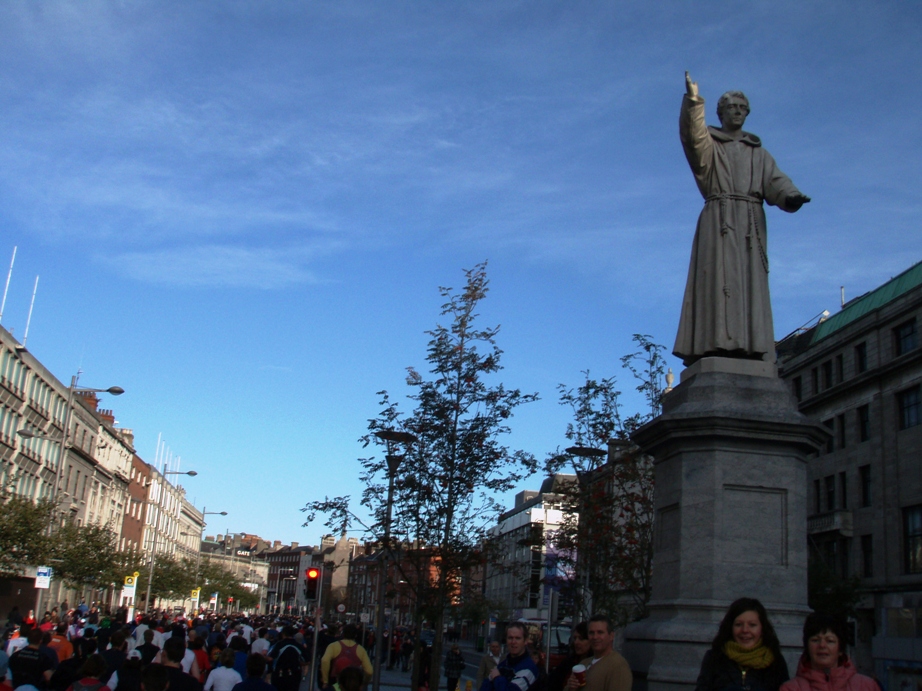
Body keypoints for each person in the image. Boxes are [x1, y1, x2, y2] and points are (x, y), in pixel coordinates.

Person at [674, 72, 811, 367]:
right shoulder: (712, 146)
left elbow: (776, 182)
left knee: (749, 284)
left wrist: (791, 196)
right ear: (720, 113)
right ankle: (714, 343)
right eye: (731, 107)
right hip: (719, 219)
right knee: (717, 281)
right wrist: (694, 103)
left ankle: (752, 345)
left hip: (750, 222)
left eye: (742, 108)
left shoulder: (759, 154)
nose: (737, 112)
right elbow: (693, 138)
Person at [695, 598, 789, 691]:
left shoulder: (776, 661)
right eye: (738, 624)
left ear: (762, 628)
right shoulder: (714, 658)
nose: (745, 630)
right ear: (730, 627)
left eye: (752, 625)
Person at [779, 614, 878, 691]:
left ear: (840, 649)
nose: (822, 645)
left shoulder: (867, 686)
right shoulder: (791, 688)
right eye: (815, 640)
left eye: (829, 641)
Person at [564, 616, 630, 691]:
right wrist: (571, 687)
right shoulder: (584, 663)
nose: (595, 637)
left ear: (611, 636)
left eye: (600, 632)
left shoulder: (618, 665)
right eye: (591, 633)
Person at [481, 623, 538, 691]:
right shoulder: (503, 664)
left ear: (525, 641)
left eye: (518, 638)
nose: (513, 642)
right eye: (510, 638)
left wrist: (497, 677)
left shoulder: (528, 668)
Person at [320, 625, 372, 690]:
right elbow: (369, 671)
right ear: (355, 635)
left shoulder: (333, 646)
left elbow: (325, 660)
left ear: (343, 633)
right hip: (355, 681)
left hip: (335, 680)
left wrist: (325, 681)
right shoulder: (361, 649)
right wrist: (364, 682)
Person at [547, 623, 589, 691]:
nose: (576, 642)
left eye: (581, 639)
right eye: (575, 638)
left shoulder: (594, 663)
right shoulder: (568, 662)